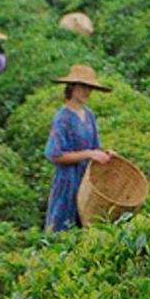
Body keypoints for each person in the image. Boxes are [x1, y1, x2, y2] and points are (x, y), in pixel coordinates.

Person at [44, 64, 113, 232]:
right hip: (68, 180)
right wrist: (88, 154)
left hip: (87, 179)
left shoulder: (89, 115)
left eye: (90, 88)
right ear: (72, 87)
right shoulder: (63, 118)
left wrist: (105, 154)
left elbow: (95, 147)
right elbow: (55, 155)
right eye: (83, 87)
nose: (87, 92)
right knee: (63, 230)